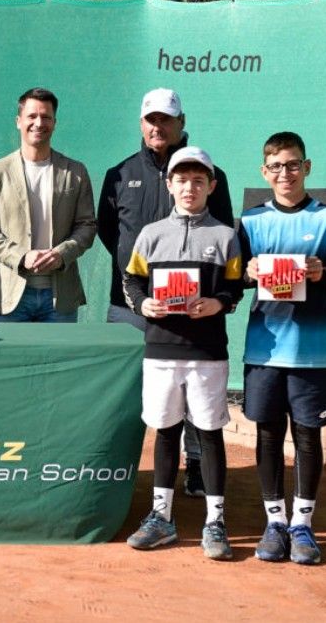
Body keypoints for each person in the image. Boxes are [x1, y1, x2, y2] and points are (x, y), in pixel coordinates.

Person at [97, 88, 234, 497]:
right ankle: (119, 467)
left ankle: (194, 465)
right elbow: (111, 233)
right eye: (151, 120)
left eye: (166, 120)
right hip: (130, 306)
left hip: (193, 311)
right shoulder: (118, 174)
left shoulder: (214, 177)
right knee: (125, 389)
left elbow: (223, 236)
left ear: (181, 123)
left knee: (193, 396)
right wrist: (141, 287)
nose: (158, 127)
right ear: (141, 124)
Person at [239, 131, 326, 565]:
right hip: (264, 352)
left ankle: (302, 525)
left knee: (308, 437)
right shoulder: (251, 221)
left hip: (313, 354)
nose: (285, 173)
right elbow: (232, 278)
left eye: (293, 165)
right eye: (276, 166)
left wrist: (321, 272)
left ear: (306, 167)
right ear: (264, 172)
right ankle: (274, 523)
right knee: (268, 435)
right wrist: (248, 271)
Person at [120, 146, 243, 560]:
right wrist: (142, 305)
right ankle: (161, 519)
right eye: (181, 180)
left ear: (211, 185)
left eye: (197, 180)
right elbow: (132, 281)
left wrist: (219, 303)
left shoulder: (226, 236)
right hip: (160, 352)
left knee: (209, 435)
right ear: (168, 185)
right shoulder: (151, 234)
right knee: (166, 431)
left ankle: (215, 521)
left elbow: (235, 287)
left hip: (207, 353)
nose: (189, 187)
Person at [0, 87, 96, 322]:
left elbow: (87, 226)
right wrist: (21, 256)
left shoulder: (75, 172)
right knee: (8, 361)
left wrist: (62, 253)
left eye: (46, 117)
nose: (39, 123)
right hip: (9, 296)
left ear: (55, 123)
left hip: (60, 299)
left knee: (61, 361)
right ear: (18, 121)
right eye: (32, 116)